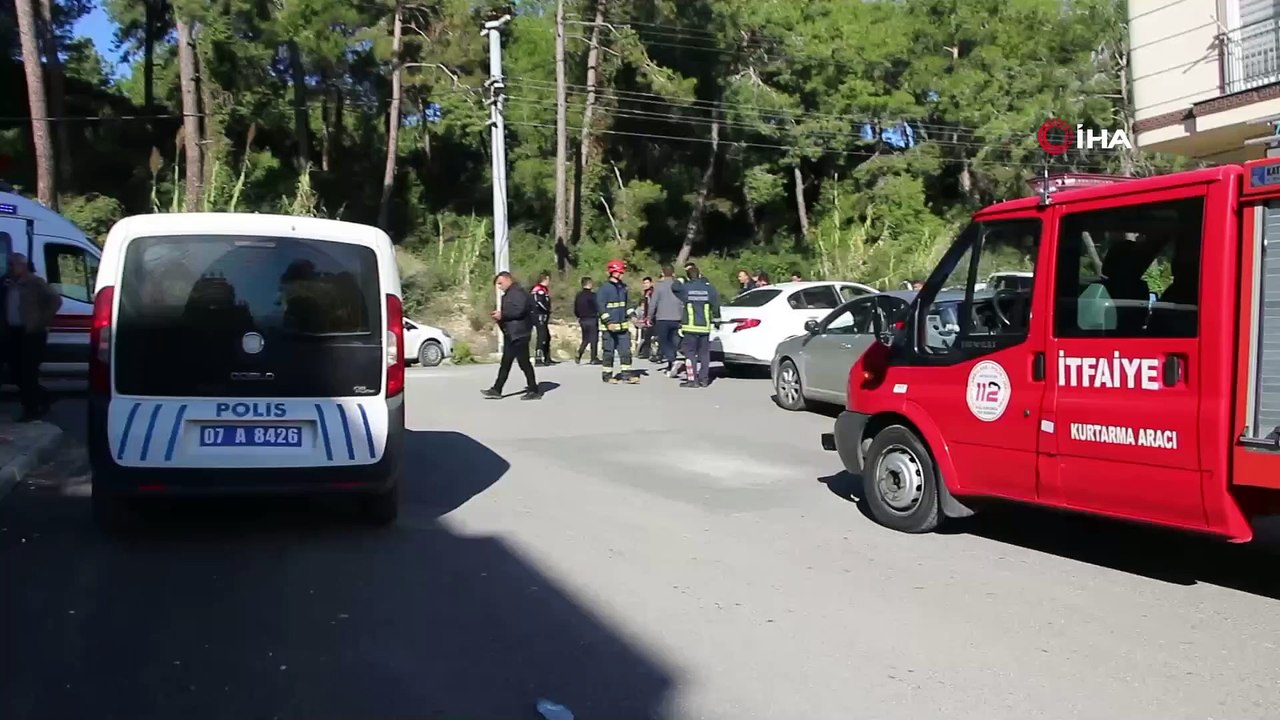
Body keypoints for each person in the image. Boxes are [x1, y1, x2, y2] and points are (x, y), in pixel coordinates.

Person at [1, 252, 62, 421]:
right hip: (13, 333)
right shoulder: (7, 283)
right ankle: (44, 397)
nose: (11, 267)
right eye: (10, 264)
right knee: (15, 373)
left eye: (13, 264)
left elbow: (55, 301)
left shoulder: (35, 282)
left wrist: (41, 321)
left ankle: (31, 409)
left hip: (32, 333)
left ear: (23, 265)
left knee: (28, 372)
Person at [481, 272, 541, 401]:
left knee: (524, 363)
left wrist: (502, 315)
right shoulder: (509, 294)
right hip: (512, 334)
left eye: (500, 283)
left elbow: (519, 311)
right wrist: (500, 318)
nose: (499, 286)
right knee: (506, 362)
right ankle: (497, 389)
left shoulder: (518, 293)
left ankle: (533, 389)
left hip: (520, 333)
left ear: (508, 280)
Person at [672, 262, 719, 388]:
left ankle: (692, 380)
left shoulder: (686, 288)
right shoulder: (709, 288)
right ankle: (704, 379)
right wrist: (717, 320)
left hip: (690, 328)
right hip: (704, 327)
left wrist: (681, 278)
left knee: (690, 354)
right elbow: (716, 305)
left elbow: (674, 287)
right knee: (704, 354)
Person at [596, 259, 639, 384]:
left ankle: (626, 374)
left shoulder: (623, 287)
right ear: (612, 272)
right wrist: (608, 322)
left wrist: (632, 316)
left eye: (622, 272)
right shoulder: (604, 289)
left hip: (622, 327)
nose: (621, 274)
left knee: (625, 351)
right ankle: (607, 375)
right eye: (619, 272)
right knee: (608, 352)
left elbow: (627, 304)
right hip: (609, 327)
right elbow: (600, 307)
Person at [647, 265, 683, 375]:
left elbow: (653, 303)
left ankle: (673, 360)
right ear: (673, 273)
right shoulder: (679, 285)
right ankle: (671, 366)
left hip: (663, 317)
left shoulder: (659, 286)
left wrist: (649, 316)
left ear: (662, 273)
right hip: (677, 317)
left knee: (663, 342)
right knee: (672, 341)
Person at [573, 276, 600, 364]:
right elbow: (597, 306)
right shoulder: (592, 295)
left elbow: (575, 308)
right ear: (589, 284)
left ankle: (580, 352)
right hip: (591, 318)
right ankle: (593, 358)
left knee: (585, 338)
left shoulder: (578, 295)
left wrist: (578, 316)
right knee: (594, 339)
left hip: (582, 319)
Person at [531, 271, 554, 366]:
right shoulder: (539, 289)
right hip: (539, 316)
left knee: (547, 336)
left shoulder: (544, 289)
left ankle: (547, 357)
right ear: (546, 278)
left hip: (543, 316)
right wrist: (547, 310)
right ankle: (538, 358)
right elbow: (539, 302)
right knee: (542, 337)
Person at [635, 276, 655, 359]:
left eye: (647, 283)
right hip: (647, 316)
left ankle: (648, 352)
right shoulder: (646, 292)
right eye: (644, 283)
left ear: (651, 283)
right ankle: (645, 352)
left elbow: (652, 305)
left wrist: (650, 316)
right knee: (646, 335)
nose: (645, 285)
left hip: (652, 316)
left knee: (649, 335)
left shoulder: (652, 292)